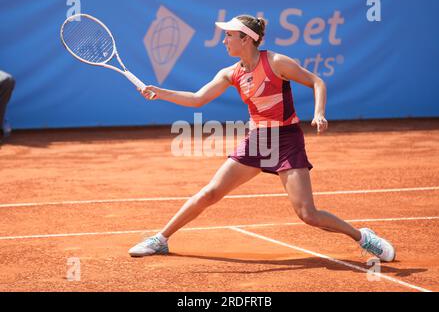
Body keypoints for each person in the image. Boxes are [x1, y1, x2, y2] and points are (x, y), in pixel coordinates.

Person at [129, 15, 396, 262]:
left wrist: (319, 113)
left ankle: (363, 237)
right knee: (211, 192)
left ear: (246, 39)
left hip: (287, 140)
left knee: (308, 214)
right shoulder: (230, 73)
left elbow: (317, 82)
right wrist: (159, 92)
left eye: (229, 36)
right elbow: (198, 99)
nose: (224, 41)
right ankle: (160, 239)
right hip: (258, 139)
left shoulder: (276, 62)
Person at [0, 70, 15, 142]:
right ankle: (6, 128)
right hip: (9, 80)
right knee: (1, 107)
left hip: (4, 81)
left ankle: (5, 128)